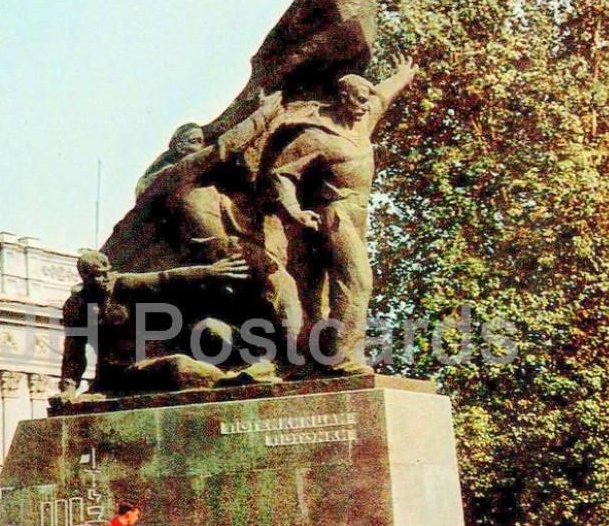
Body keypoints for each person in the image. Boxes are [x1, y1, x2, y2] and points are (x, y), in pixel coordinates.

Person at [261, 58, 418, 374]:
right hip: (331, 217)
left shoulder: (362, 122)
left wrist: (403, 75)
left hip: (358, 218)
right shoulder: (317, 136)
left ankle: (314, 358)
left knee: (321, 294)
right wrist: (294, 211)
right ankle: (343, 357)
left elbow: (381, 96)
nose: (364, 106)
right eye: (358, 100)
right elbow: (282, 174)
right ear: (341, 98)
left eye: (365, 101)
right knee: (357, 281)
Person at [58, 248, 250, 397]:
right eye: (97, 275)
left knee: (178, 366)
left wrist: (209, 272)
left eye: (106, 272)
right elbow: (73, 353)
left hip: (142, 364)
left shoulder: (124, 285)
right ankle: (233, 380)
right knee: (178, 368)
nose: (104, 278)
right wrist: (68, 389)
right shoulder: (76, 306)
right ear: (84, 277)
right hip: (111, 377)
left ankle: (235, 379)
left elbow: (165, 278)